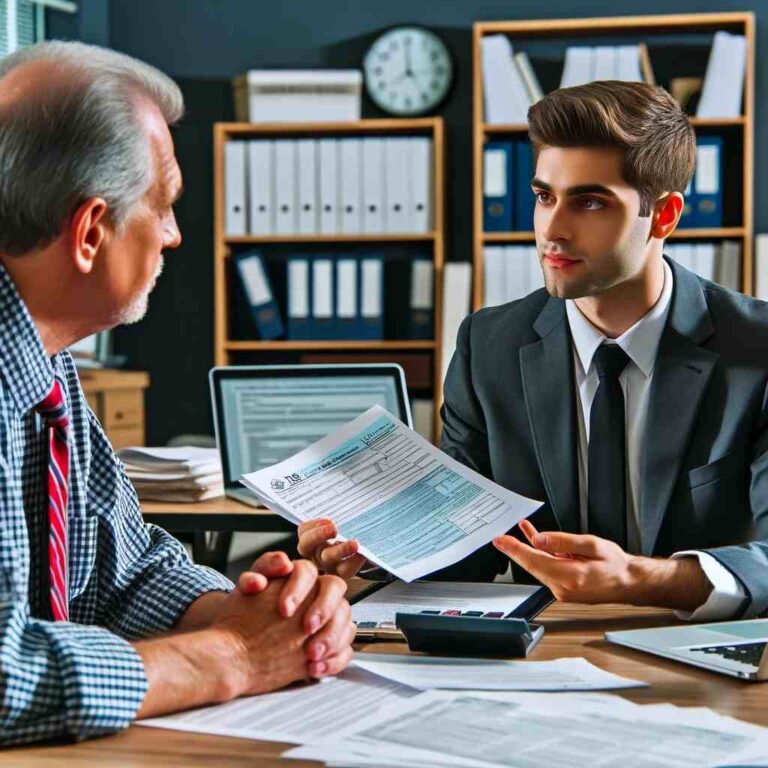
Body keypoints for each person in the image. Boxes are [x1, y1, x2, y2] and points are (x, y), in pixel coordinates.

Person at [299, 80, 768, 621]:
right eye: (545, 196)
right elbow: (465, 552)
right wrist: (370, 553)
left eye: (589, 202)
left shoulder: (755, 350)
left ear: (663, 216)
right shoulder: (489, 346)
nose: (553, 229)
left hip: (695, 650)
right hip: (536, 651)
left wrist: (641, 578)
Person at [0, 41, 354, 746]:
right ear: (91, 231)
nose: (174, 235)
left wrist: (262, 613)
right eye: (162, 207)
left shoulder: (46, 363)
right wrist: (233, 656)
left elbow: (122, 570)